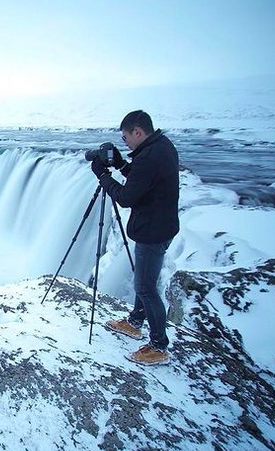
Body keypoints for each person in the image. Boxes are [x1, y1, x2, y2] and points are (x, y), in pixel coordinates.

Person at [90, 110, 179, 366]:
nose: (124, 142)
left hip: (153, 231)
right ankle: (135, 322)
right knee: (145, 279)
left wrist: (103, 176)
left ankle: (158, 346)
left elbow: (127, 197)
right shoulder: (161, 147)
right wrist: (120, 164)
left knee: (145, 287)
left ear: (138, 132)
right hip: (162, 225)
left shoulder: (149, 157)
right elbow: (143, 183)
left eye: (126, 137)